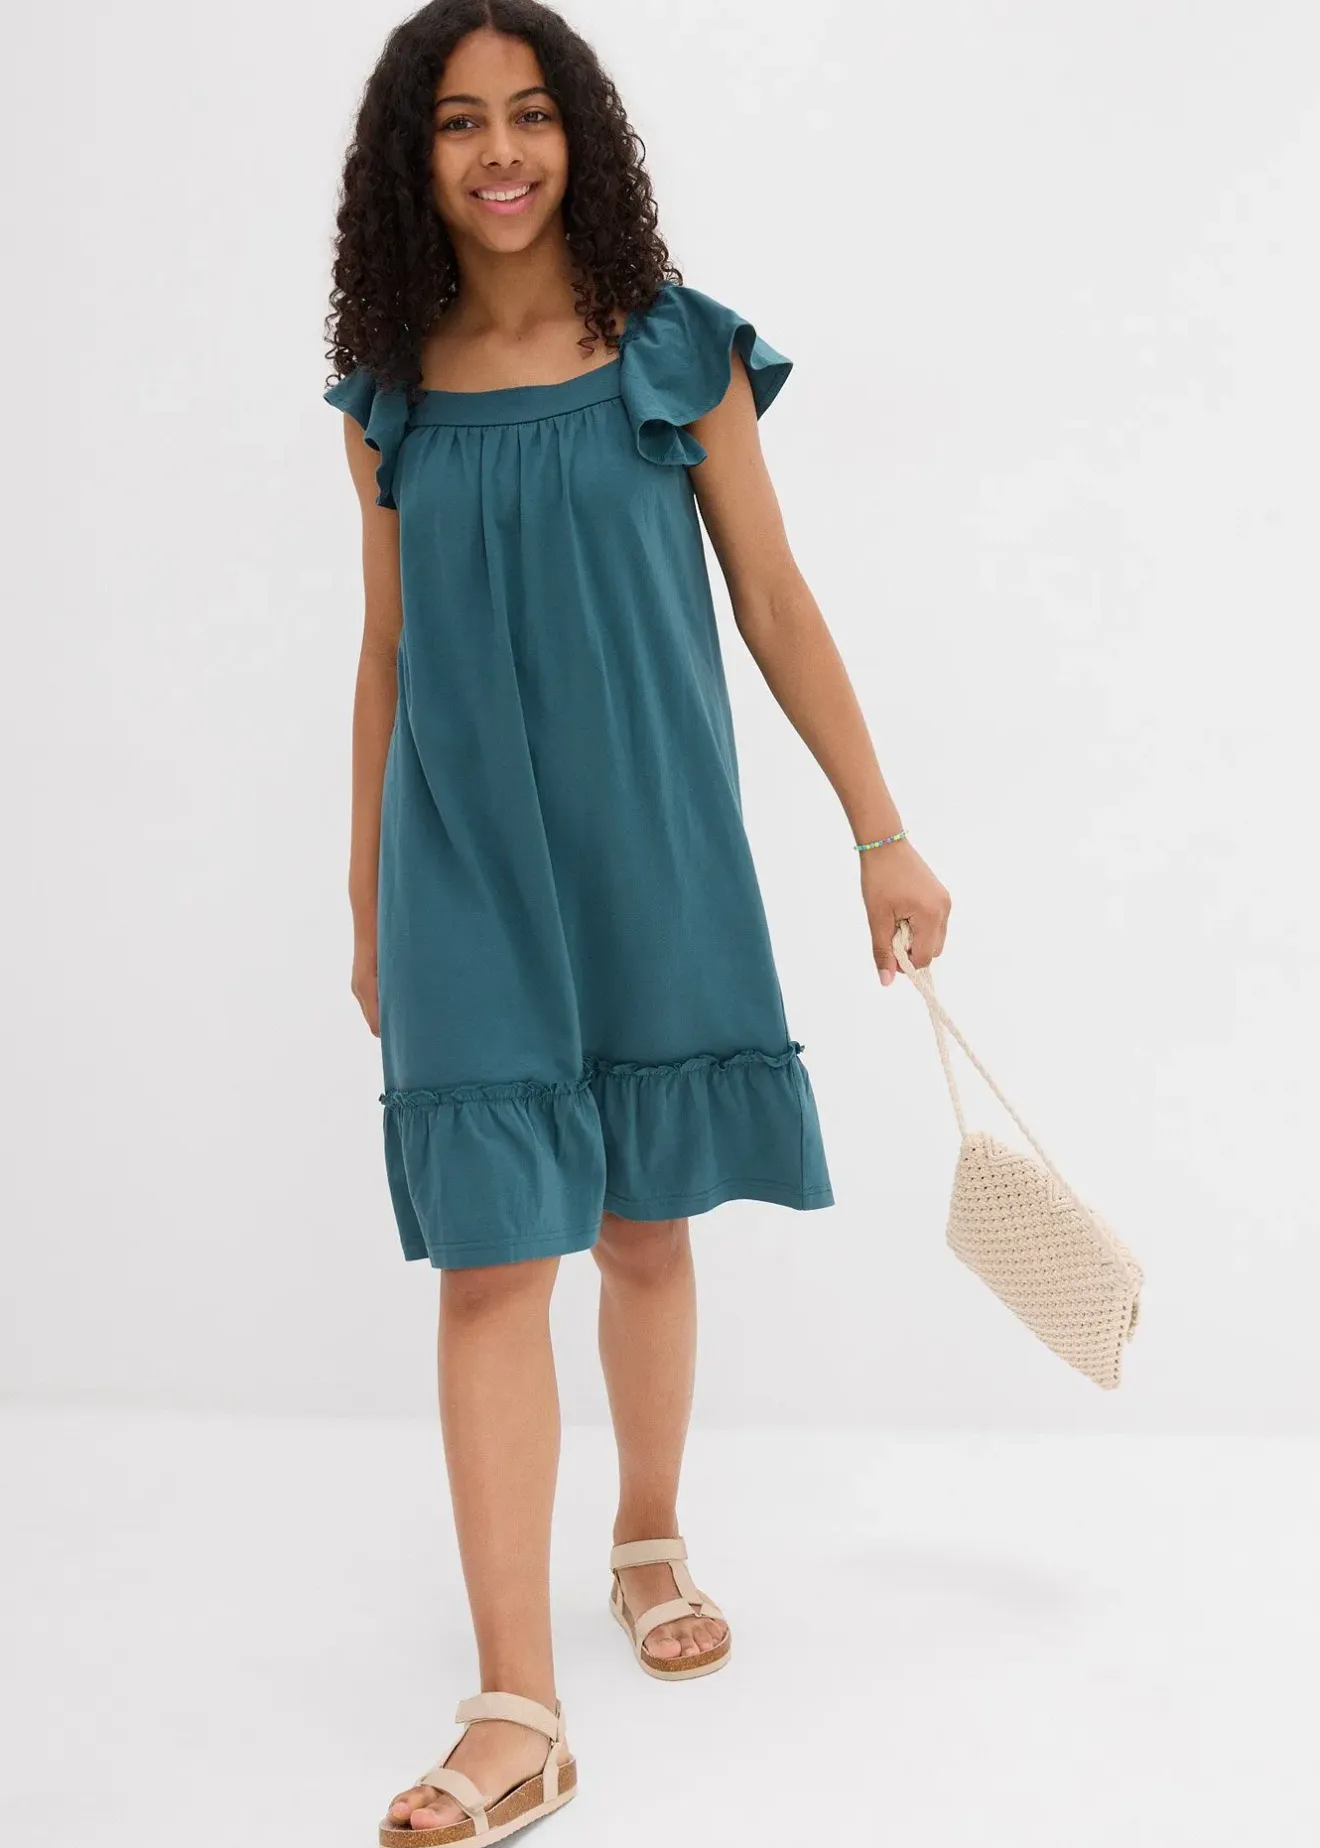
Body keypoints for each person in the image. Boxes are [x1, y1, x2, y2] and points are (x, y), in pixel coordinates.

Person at [323, 2, 952, 1840]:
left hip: (651, 836)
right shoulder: (389, 393)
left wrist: (882, 834)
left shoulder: (678, 351)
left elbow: (774, 596)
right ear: (413, 158)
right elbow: (385, 646)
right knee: (488, 1258)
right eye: (458, 121)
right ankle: (516, 1709)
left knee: (643, 1221)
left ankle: (649, 1532)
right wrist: (364, 886)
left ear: (578, 138)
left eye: (530, 114)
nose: (499, 151)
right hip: (460, 858)